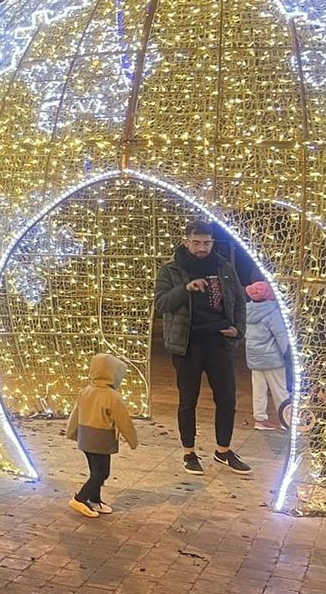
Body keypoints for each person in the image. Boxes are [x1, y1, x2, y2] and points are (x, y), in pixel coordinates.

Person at [155, 220, 251, 477]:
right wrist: (185, 288)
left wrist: (238, 330)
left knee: (227, 398)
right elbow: (161, 303)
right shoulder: (171, 269)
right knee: (188, 400)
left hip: (218, 341)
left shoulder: (224, 267)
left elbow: (240, 302)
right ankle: (189, 452)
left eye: (207, 243)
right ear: (186, 241)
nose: (202, 248)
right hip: (188, 344)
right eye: (196, 242)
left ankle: (223, 450)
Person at [65, 353, 139, 516]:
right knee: (102, 473)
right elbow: (123, 420)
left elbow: (76, 413)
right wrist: (132, 440)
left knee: (95, 471)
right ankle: (80, 498)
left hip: (85, 439)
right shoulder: (112, 396)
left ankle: (95, 500)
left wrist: (71, 432)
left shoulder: (85, 391)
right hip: (101, 440)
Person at [244, 280, 291, 431]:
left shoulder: (247, 310)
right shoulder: (273, 313)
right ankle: (287, 420)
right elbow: (281, 335)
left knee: (258, 389)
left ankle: (260, 419)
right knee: (280, 389)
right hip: (272, 359)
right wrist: (288, 354)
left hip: (254, 357)